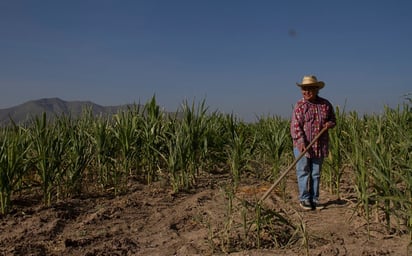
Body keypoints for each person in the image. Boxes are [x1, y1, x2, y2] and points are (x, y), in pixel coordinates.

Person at [290, 75, 336, 210]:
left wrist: (329, 124)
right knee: (303, 171)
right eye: (304, 89)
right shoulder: (300, 106)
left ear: (317, 89)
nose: (306, 92)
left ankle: (314, 199)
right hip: (302, 146)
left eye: (310, 89)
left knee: (316, 173)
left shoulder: (325, 104)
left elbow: (333, 119)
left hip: (319, 145)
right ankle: (304, 199)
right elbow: (295, 126)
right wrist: (301, 142)